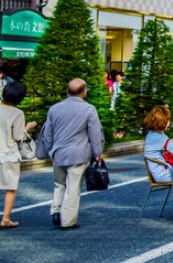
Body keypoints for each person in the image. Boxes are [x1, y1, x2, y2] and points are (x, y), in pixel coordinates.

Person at [35, 79, 105, 230]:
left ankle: (55, 211)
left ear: (67, 91)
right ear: (84, 92)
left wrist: (50, 151)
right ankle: (68, 221)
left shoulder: (54, 109)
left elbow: (47, 134)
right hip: (78, 154)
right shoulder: (89, 109)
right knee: (73, 188)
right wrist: (97, 153)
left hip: (58, 153)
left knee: (59, 184)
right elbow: (95, 133)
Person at [1, 81, 36, 229]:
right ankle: (5, 219)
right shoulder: (17, 113)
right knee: (10, 187)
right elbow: (18, 136)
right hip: (8, 154)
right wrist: (28, 127)